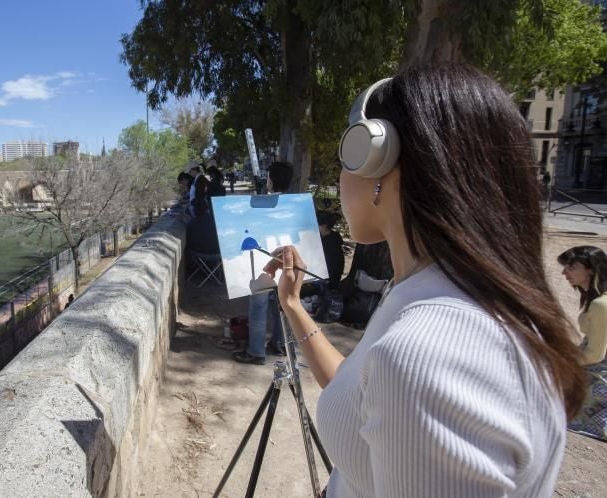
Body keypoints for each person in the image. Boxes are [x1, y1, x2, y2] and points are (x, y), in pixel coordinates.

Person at [263, 64, 585, 497]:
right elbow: (361, 391)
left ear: (375, 158)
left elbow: (405, 376)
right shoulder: (442, 293)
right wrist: (294, 305)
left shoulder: (429, 353)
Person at [233, 161, 294, 364]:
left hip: (265, 263)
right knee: (282, 306)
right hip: (287, 263)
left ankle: (256, 352)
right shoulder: (294, 204)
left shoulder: (261, 204)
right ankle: (279, 344)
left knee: (258, 307)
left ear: (271, 179)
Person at [558, 245, 607, 441]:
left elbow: (595, 354)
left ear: (590, 269)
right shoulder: (595, 299)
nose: (564, 272)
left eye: (571, 267)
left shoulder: (600, 304)